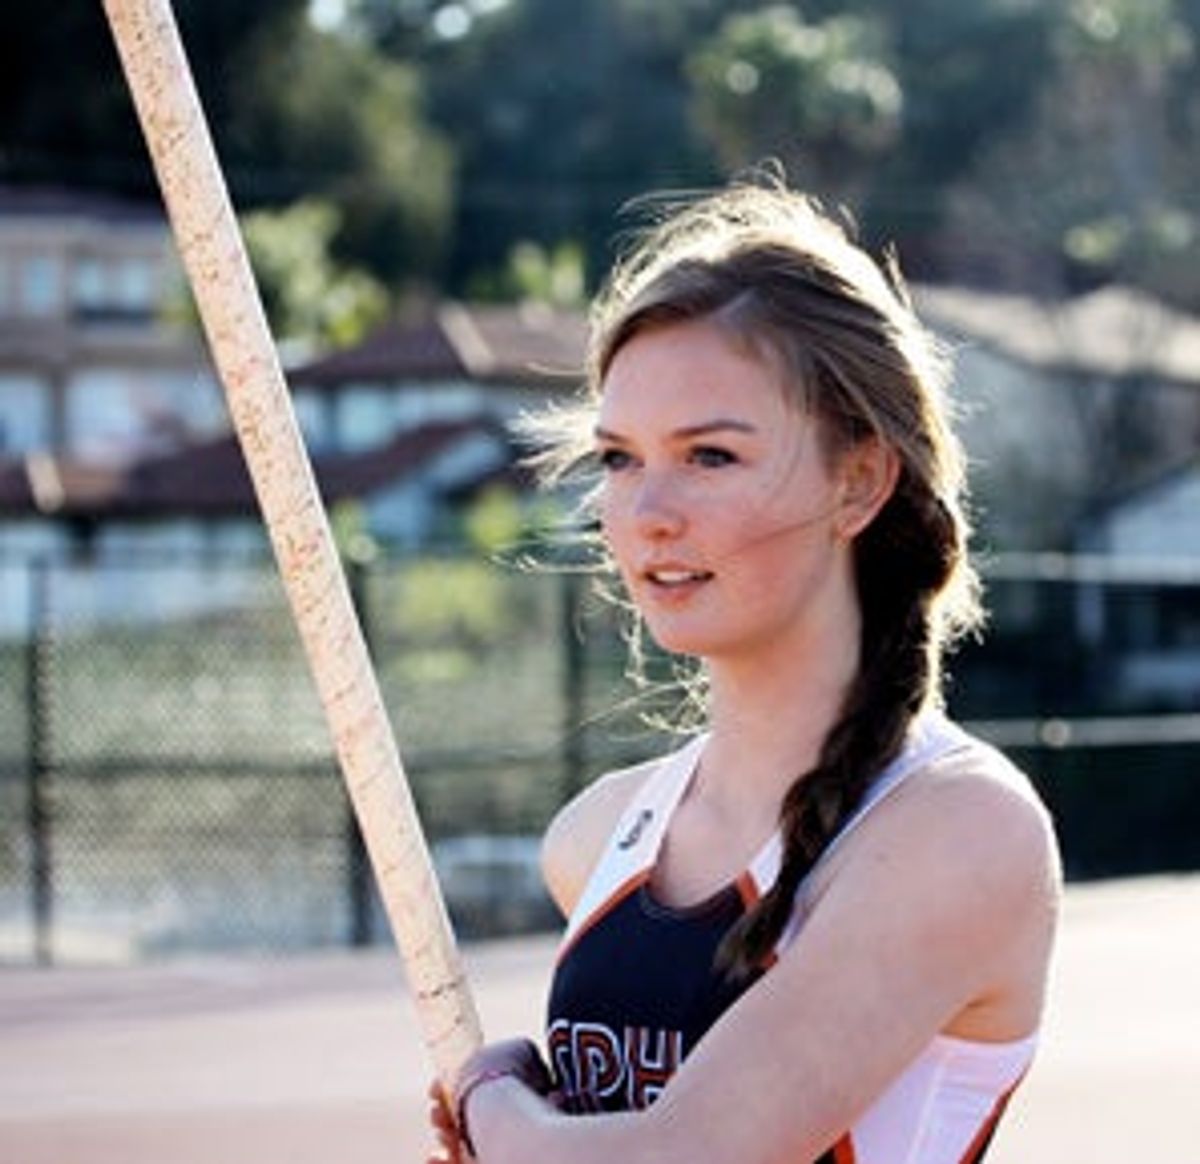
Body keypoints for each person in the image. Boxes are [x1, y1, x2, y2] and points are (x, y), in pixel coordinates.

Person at [427, 175, 1062, 1164]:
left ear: (858, 479)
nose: (646, 513)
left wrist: (491, 1101)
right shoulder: (597, 838)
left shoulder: (960, 831)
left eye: (710, 456)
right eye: (619, 459)